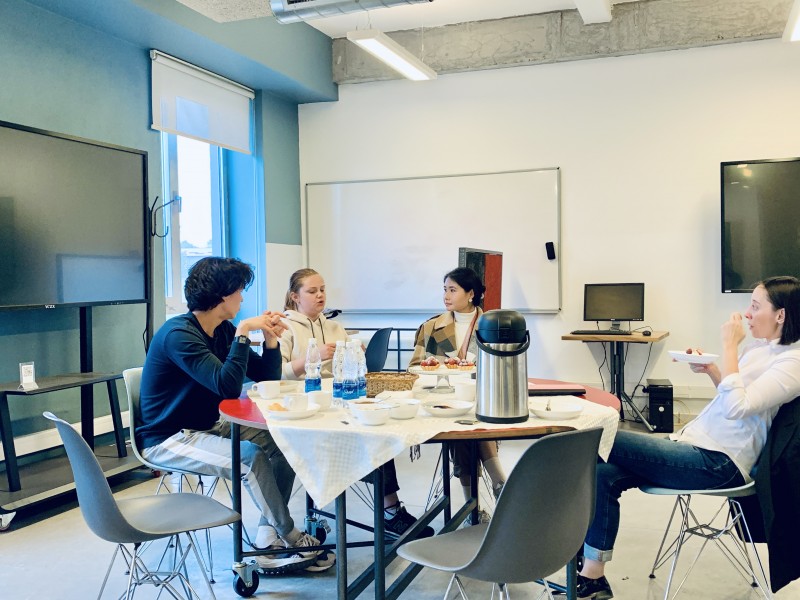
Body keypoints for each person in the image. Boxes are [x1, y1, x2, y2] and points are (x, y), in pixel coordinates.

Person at [577, 275, 800, 600]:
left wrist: (729, 347)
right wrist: (713, 371)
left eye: (755, 306)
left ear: (780, 315)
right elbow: (735, 398)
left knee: (597, 435)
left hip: (720, 462)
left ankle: (564, 545)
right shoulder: (762, 348)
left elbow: (738, 407)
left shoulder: (793, 362)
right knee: (602, 473)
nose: (746, 313)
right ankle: (593, 577)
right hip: (694, 446)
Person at [138, 257, 334, 575]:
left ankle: (267, 538)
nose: (242, 297)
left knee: (284, 442)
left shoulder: (222, 329)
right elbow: (227, 387)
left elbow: (267, 377)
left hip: (207, 426)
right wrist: (243, 332)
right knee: (250, 457)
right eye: (240, 291)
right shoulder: (179, 335)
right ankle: (291, 537)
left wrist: (270, 340)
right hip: (168, 438)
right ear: (223, 295)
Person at [280, 268, 434, 539]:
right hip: (304, 410)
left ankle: (390, 510)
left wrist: (354, 354)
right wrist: (313, 357)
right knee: (367, 434)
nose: (320, 295)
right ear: (295, 296)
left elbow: (350, 371)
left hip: (338, 405)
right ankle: (390, 511)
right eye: (312, 291)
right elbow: (277, 374)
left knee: (377, 429)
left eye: (322, 289)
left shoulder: (334, 327)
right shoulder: (284, 327)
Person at [409, 267, 509, 522]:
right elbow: (414, 368)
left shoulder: (493, 325)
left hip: (483, 396)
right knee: (463, 421)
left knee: (470, 420)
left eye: (453, 290)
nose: (446, 296)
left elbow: (504, 367)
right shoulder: (431, 327)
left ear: (471, 294)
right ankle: (498, 483)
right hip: (441, 398)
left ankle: (471, 508)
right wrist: (438, 367)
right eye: (445, 289)